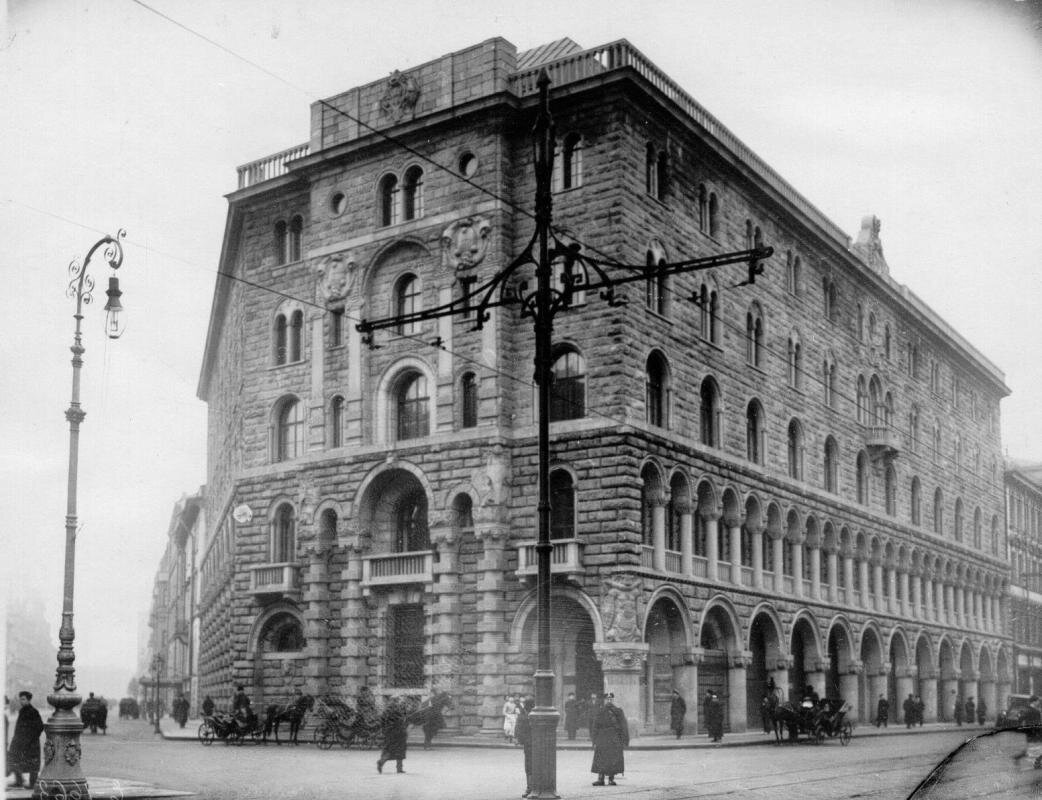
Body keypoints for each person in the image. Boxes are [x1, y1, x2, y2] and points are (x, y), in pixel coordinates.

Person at [7, 691, 44, 791]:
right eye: (20, 699)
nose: (21, 701)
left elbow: (40, 726)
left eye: (23, 699)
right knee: (15, 760)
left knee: (33, 763)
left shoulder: (33, 711)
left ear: (28, 700)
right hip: (20, 741)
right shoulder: (22, 711)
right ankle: (19, 781)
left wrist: (31, 738)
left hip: (31, 743)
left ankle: (32, 784)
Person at [590, 693, 628, 787]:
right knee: (601, 758)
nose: (609, 701)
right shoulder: (600, 711)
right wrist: (594, 739)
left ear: (613, 700)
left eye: (611, 699)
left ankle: (611, 779)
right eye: (607, 699)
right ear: (604, 700)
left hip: (614, 737)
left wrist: (624, 739)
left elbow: (623, 725)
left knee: (613, 758)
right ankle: (600, 779)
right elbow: (595, 726)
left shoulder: (618, 711)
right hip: (602, 737)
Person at [376, 697, 408, 774]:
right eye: (397, 701)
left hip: (390, 733)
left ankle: (382, 761)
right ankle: (398, 768)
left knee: (390, 749)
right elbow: (400, 721)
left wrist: (385, 730)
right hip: (398, 732)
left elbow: (382, 721)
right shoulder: (396, 710)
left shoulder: (387, 711)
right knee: (400, 750)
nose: (397, 703)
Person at [515, 697, 534, 797]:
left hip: (528, 744)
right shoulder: (536, 715)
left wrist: (519, 740)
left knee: (529, 767)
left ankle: (529, 788)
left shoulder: (523, 715)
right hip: (537, 743)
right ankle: (535, 787)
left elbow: (518, 729)